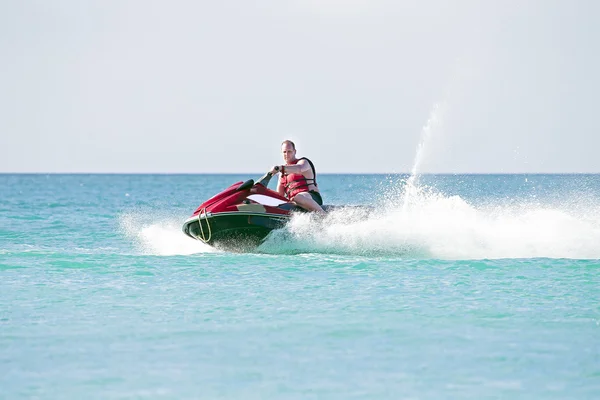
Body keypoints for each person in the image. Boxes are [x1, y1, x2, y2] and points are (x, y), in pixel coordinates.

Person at [270, 140, 324, 213]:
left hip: (311, 197)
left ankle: (323, 215)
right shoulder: (281, 175)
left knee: (298, 198)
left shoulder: (303, 162)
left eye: (289, 151)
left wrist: (280, 168)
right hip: (295, 202)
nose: (286, 154)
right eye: (284, 152)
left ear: (295, 151)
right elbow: (280, 195)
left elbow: (299, 169)